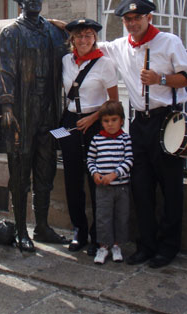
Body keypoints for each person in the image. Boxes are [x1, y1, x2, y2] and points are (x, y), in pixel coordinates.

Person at [99, 0, 187, 268]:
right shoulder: (121, 45)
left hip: (167, 121)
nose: (132, 23)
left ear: (148, 18)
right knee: (141, 188)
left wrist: (160, 79)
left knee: (170, 187)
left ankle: (168, 248)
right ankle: (146, 245)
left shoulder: (169, 41)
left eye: (137, 18)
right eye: (127, 20)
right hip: (139, 123)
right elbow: (88, 45)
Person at [0, 0, 68, 252]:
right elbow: (4, 70)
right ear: (20, 2)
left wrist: (64, 27)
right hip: (22, 109)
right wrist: (6, 106)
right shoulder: (11, 33)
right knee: (19, 169)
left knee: (45, 167)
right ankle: (20, 229)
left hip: (49, 108)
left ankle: (42, 226)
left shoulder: (53, 31)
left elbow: (79, 44)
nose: (35, 0)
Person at [60, 18, 118, 256]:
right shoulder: (66, 61)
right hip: (71, 123)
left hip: (94, 123)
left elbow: (113, 100)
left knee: (96, 179)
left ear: (94, 38)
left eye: (88, 35)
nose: (83, 40)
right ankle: (78, 231)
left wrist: (93, 118)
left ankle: (98, 234)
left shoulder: (104, 63)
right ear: (72, 39)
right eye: (79, 36)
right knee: (72, 180)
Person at [87, 100, 133, 265]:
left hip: (121, 187)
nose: (110, 124)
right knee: (103, 217)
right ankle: (103, 246)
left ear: (121, 120)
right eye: (106, 121)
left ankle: (116, 245)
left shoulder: (125, 139)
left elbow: (129, 160)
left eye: (114, 120)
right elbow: (91, 159)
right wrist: (95, 173)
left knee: (121, 216)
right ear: (102, 122)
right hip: (103, 188)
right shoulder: (97, 139)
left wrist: (115, 174)